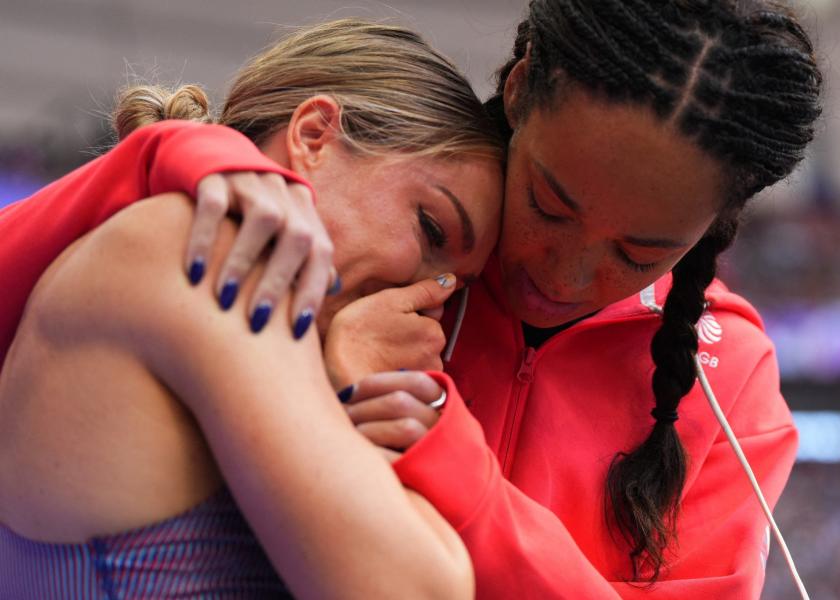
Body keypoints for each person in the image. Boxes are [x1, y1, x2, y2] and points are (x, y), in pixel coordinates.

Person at [0, 1, 823, 598]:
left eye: (640, 253)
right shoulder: (385, 241)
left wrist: (440, 442)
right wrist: (174, 157)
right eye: (546, 203)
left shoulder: (733, 377)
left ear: (716, 227)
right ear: (521, 90)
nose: (565, 275)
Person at [0, 19, 505, 599]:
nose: (429, 299)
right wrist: (360, 387)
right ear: (314, 136)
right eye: (431, 228)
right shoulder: (204, 251)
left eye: (455, 287)